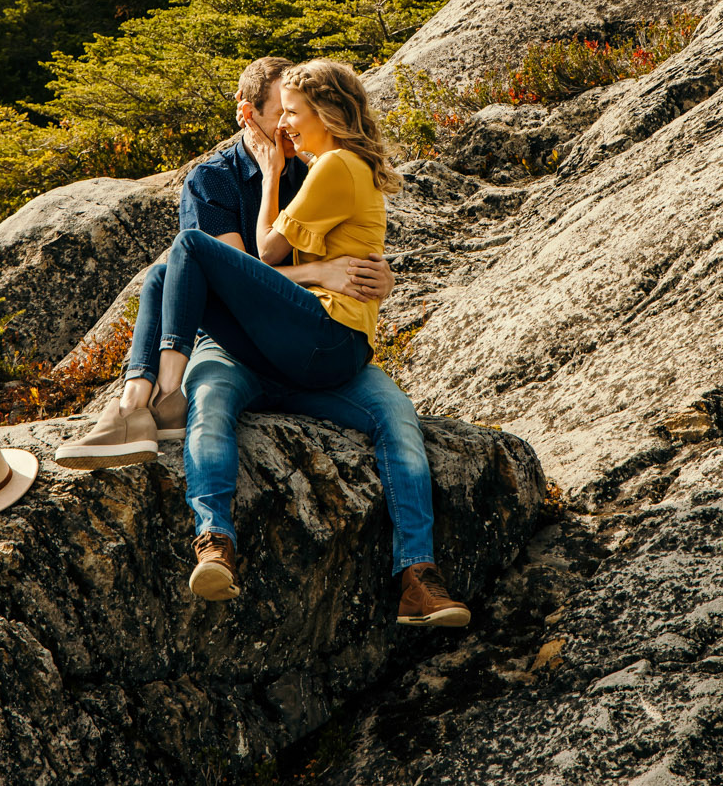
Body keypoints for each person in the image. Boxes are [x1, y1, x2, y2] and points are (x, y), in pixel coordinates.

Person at [61, 58, 470, 627]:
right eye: (279, 115)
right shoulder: (214, 179)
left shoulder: (318, 160)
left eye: (295, 115)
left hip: (310, 341)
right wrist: (322, 271)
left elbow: (351, 242)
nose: (288, 128)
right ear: (248, 114)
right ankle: (213, 541)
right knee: (209, 401)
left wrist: (380, 273)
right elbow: (236, 273)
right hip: (238, 344)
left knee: (398, 418)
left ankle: (418, 577)